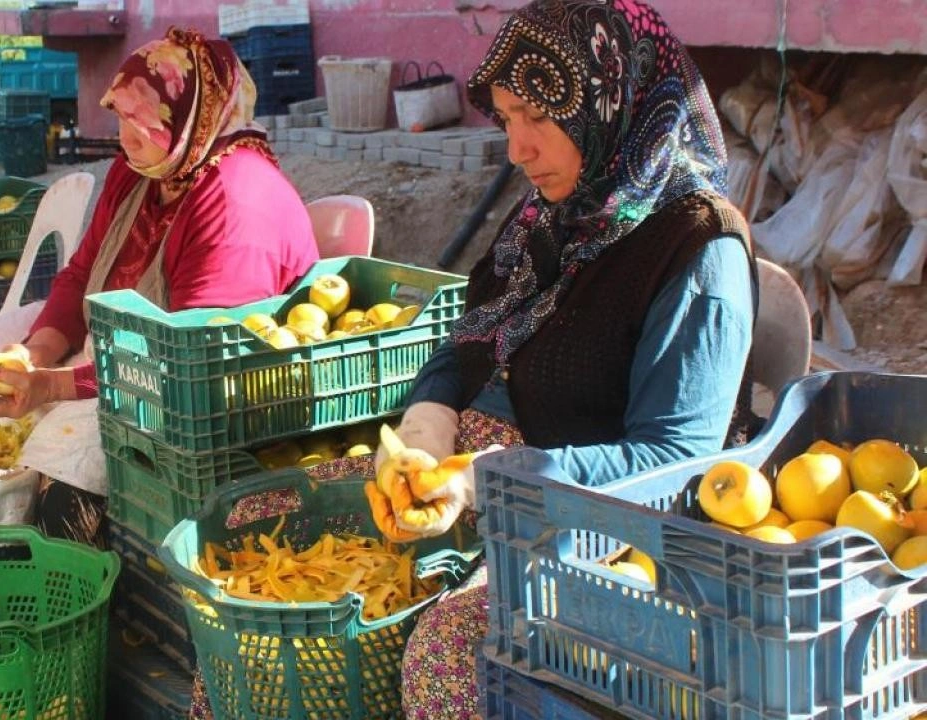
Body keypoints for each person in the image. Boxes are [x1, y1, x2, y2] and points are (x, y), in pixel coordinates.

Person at [188, 0, 757, 717]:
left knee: (450, 649)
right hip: (472, 481)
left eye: (541, 118)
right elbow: (468, 342)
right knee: (252, 551)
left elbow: (675, 460)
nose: (517, 148)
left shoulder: (697, 250)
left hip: (597, 520)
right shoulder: (550, 218)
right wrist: (426, 432)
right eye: (509, 116)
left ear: (612, 103)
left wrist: (490, 482)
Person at [0, 27, 320, 544]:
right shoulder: (145, 169)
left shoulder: (234, 201)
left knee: (67, 475)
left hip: (207, 400)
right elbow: (81, 275)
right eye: (120, 118)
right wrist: (34, 354)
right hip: (123, 367)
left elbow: (188, 362)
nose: (124, 138)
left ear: (189, 119)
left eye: (140, 122)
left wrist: (50, 385)